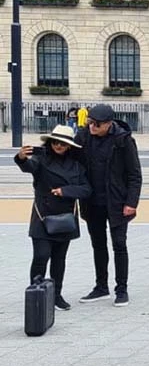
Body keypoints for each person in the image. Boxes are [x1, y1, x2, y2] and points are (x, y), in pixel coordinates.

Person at [15, 126, 92, 311]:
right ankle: (37, 291)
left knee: (59, 258)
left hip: (65, 217)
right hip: (43, 215)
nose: (59, 146)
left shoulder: (76, 166)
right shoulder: (41, 159)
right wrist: (21, 158)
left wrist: (65, 191)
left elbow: (86, 189)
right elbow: (29, 167)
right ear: (50, 142)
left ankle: (56, 295)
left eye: (63, 143)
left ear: (69, 146)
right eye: (56, 142)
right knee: (41, 255)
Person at [74, 104, 142, 307]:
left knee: (119, 245)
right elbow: (68, 157)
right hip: (92, 201)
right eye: (90, 122)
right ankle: (101, 287)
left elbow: (134, 175)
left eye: (97, 124)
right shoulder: (84, 137)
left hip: (117, 202)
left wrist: (131, 202)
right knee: (98, 245)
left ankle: (121, 289)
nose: (92, 127)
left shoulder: (123, 140)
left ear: (109, 124)